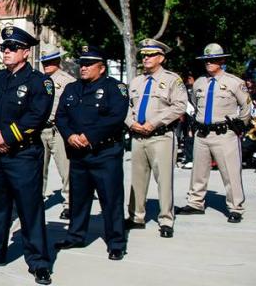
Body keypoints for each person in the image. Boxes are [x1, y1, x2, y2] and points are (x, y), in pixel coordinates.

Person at [0, 26, 54, 285]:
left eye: (13, 48)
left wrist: (6, 137)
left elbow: (36, 116)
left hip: (22, 155)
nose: (6, 52)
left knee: (29, 209)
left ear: (26, 52)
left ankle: (38, 261)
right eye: (5, 48)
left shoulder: (39, 82)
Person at [53, 46, 128, 260]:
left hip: (105, 153)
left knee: (111, 199)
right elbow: (61, 116)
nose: (83, 68)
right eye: (81, 64)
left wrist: (89, 136)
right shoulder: (72, 88)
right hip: (78, 153)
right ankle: (75, 235)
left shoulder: (116, 88)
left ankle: (116, 242)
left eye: (88, 64)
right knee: (79, 198)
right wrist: (69, 136)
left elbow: (116, 117)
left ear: (101, 68)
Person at [176, 43, 252, 222]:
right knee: (198, 172)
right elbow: (195, 103)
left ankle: (235, 208)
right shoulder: (199, 83)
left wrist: (240, 125)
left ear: (222, 60)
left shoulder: (234, 82)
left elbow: (246, 106)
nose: (209, 63)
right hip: (202, 134)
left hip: (225, 134)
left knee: (230, 173)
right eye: (206, 60)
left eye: (213, 60)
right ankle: (195, 203)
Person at [125, 39, 188, 238]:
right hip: (138, 136)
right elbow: (126, 106)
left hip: (160, 136)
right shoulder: (136, 81)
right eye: (144, 55)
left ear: (161, 57)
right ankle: (136, 216)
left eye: (151, 55)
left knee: (164, 180)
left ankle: (166, 219)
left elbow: (179, 106)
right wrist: (130, 123)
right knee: (137, 179)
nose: (146, 58)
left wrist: (154, 123)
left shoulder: (172, 80)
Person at [40, 48, 76, 220]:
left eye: (50, 62)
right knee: (39, 168)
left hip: (58, 130)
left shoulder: (68, 81)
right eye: (44, 62)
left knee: (66, 168)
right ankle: (36, 200)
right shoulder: (39, 80)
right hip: (40, 129)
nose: (46, 65)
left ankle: (69, 203)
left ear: (57, 62)